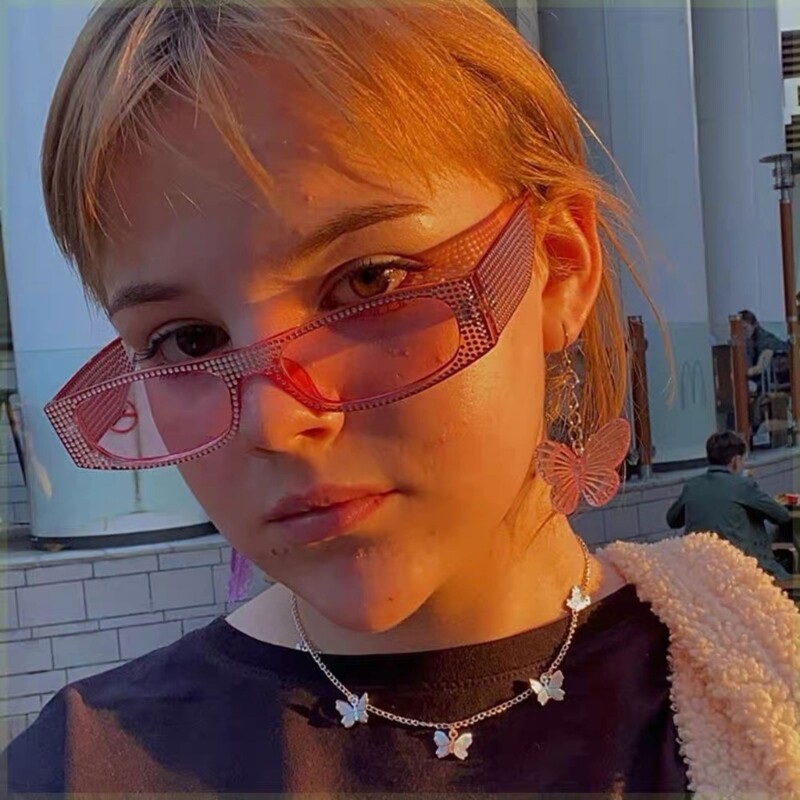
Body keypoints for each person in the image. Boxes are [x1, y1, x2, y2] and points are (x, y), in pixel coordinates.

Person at [3, 2, 798, 796]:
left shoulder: (763, 684)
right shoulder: (77, 773)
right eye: (187, 341)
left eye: (368, 281)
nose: (274, 421)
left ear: (558, 267)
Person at [666, 431, 791, 579]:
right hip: (742, 570)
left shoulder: (691, 486)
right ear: (736, 460)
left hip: (700, 570)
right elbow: (782, 515)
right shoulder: (743, 486)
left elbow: (672, 520)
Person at [739, 309, 788, 388]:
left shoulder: (764, 340)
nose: (742, 332)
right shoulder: (750, 340)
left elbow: (759, 368)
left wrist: (742, 373)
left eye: (745, 328)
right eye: (739, 329)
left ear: (754, 325)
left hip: (783, 376)